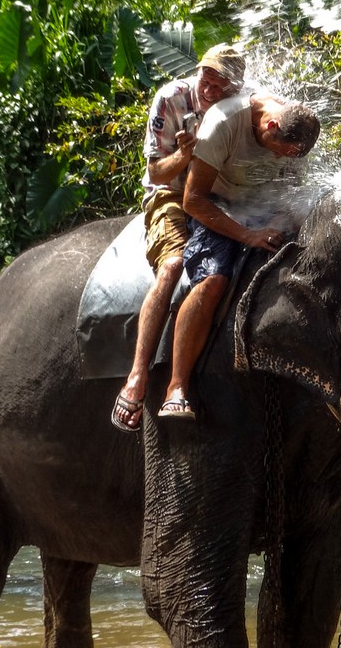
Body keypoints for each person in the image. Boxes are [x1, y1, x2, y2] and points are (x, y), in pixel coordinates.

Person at [157, 91, 321, 419]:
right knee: (214, 280)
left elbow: (294, 187)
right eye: (277, 152)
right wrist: (247, 235)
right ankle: (177, 386)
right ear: (269, 125)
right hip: (216, 206)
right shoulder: (223, 124)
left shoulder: (293, 127)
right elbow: (193, 200)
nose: (279, 160)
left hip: (263, 205)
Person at [111, 44, 247, 432]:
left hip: (218, 195)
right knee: (172, 266)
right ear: (198, 71)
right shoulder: (171, 99)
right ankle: (137, 376)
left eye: (221, 84)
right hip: (171, 194)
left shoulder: (239, 103)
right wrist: (187, 155)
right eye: (207, 77)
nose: (210, 88)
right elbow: (156, 172)